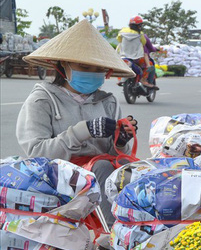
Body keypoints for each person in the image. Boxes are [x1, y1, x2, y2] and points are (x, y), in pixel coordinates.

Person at [17, 19, 138, 228]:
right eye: (84, 66)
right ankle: (113, 235)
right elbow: (36, 154)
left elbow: (115, 153)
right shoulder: (42, 100)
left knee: (131, 169)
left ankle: (139, 228)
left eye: (97, 68)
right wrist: (83, 131)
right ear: (62, 65)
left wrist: (121, 141)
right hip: (58, 177)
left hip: (100, 174)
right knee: (101, 167)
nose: (91, 72)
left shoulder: (108, 101)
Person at [116, 16, 153, 88]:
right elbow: (143, 43)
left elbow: (119, 40)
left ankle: (120, 79)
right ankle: (143, 79)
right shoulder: (140, 34)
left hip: (123, 56)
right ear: (139, 26)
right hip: (136, 58)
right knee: (149, 64)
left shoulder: (122, 32)